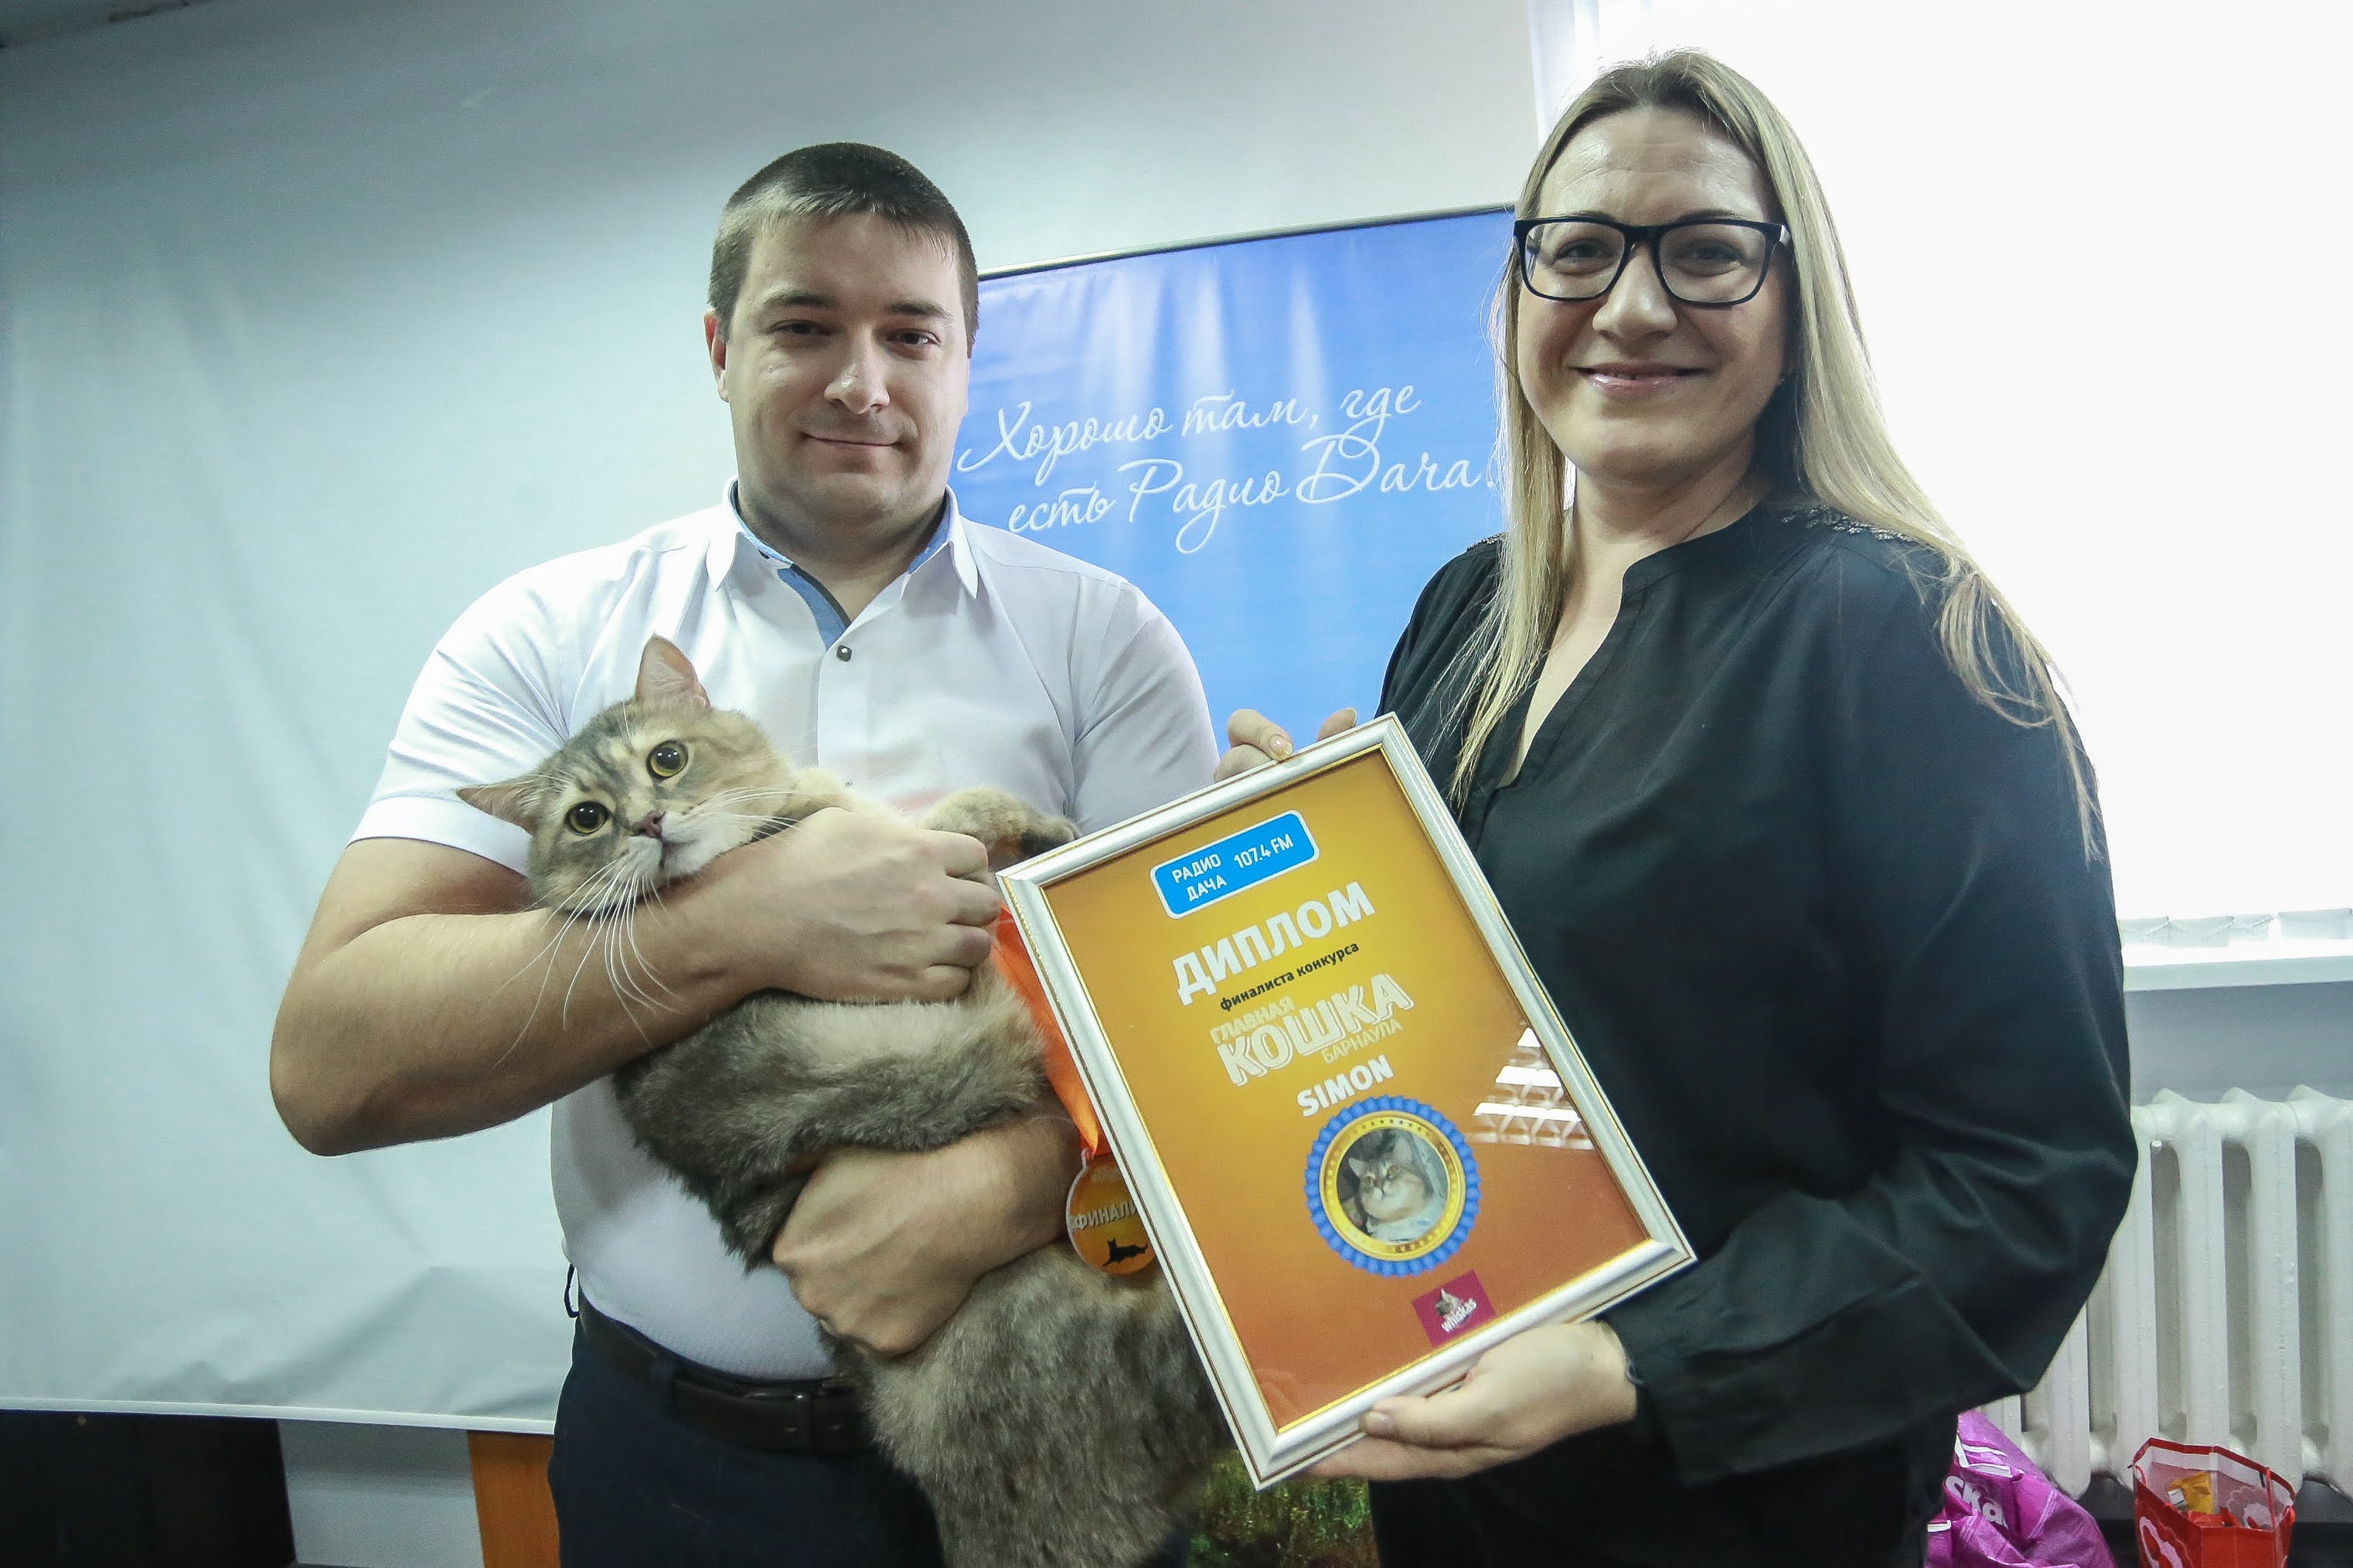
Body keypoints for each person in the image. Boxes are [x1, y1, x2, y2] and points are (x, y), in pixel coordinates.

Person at [1224, 52, 2136, 1566]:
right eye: (1579, 249)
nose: (1632, 306)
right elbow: (1467, 1024)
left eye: (1705, 252)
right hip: (1458, 1483)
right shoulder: (1465, 615)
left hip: (1739, 1507)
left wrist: (1630, 1361)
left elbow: (2024, 1181)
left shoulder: (1905, 635)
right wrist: (1301, 878)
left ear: (1795, 303)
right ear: (1520, 291)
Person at [270, 143, 1217, 1566]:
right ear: (720, 349)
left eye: (911, 334)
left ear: (968, 360)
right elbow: (331, 1064)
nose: (861, 381)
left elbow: (1205, 1035)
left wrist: (1008, 1187)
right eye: (804, 325)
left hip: (1047, 1416)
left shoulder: (1104, 638)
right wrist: (740, 921)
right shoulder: (544, 634)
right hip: (679, 1464)